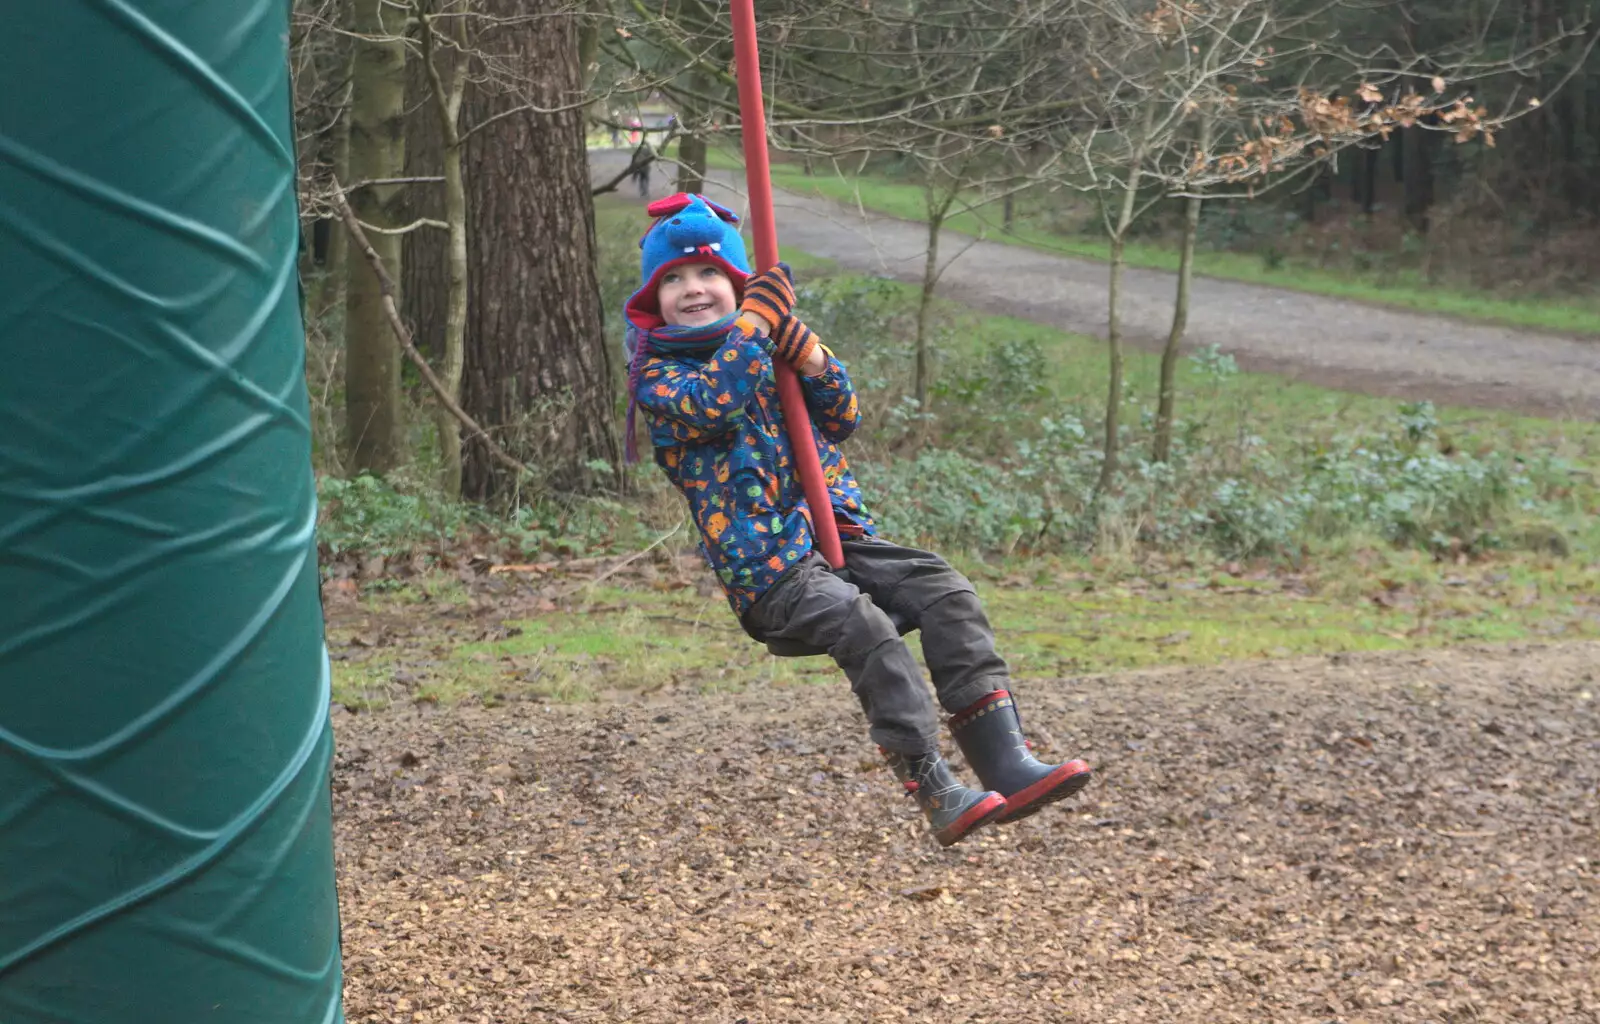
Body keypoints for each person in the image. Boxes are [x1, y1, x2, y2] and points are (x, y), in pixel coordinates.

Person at [622, 194, 1092, 847]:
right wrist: (754, 329)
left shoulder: (768, 347)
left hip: (836, 536)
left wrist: (810, 357)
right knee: (865, 627)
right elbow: (716, 402)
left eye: (708, 274)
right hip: (770, 572)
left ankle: (1004, 759)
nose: (692, 289)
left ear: (736, 282)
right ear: (653, 297)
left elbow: (842, 417)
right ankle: (933, 785)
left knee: (946, 591)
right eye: (672, 279)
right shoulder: (661, 374)